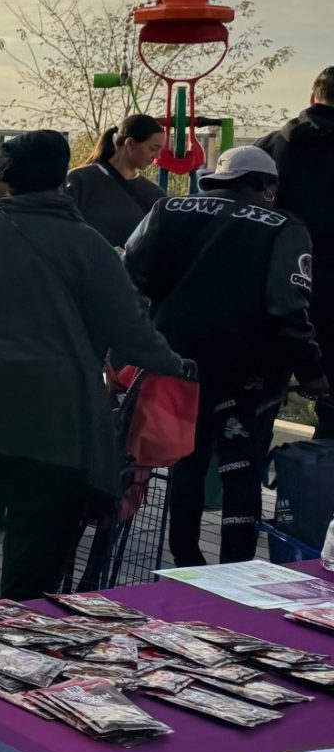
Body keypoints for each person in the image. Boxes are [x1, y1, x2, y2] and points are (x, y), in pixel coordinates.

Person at [0, 130, 192, 602]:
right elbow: (131, 330)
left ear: (6, 176)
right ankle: (16, 655)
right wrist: (174, 363)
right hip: (60, 424)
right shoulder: (88, 245)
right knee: (34, 570)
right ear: (61, 180)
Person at [124, 146, 326, 566]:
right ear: (266, 186)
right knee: (241, 471)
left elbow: (130, 275)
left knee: (186, 461)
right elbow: (287, 307)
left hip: (175, 367)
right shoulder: (283, 227)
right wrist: (311, 373)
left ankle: (185, 561)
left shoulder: (169, 209)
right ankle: (234, 569)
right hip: (248, 373)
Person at [260, 66, 334, 434]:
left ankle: (235, 484)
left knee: (252, 403)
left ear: (312, 96)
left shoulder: (271, 147)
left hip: (269, 288)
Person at [65, 114, 165, 247]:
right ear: (129, 143)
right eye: (153, 148)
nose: (157, 156)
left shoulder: (155, 195)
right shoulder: (79, 180)